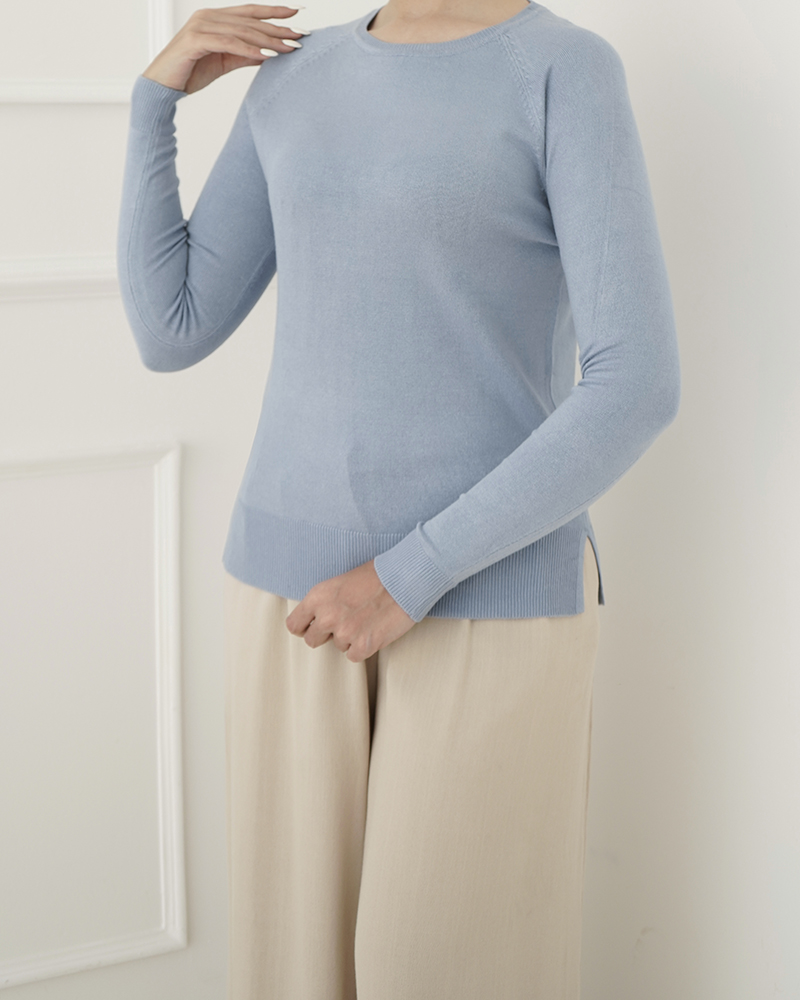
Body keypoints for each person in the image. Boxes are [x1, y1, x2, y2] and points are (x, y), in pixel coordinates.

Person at [117, 1, 681, 996]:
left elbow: (635, 385)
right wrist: (152, 103)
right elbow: (173, 327)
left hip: (488, 600)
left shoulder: (563, 70)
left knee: (447, 971)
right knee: (292, 970)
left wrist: (403, 576)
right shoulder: (296, 73)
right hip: (286, 603)